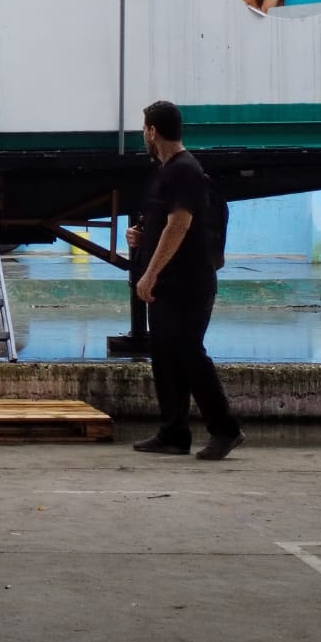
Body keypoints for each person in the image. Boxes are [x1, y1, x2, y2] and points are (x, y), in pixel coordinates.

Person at [128, 101, 244, 461]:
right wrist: (140, 236)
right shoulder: (166, 171)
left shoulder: (185, 170)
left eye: (144, 129)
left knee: (189, 353)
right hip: (169, 284)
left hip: (188, 283)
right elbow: (163, 223)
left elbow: (179, 225)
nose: (143, 135)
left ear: (152, 131)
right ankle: (174, 433)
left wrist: (150, 273)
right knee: (166, 357)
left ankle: (226, 430)